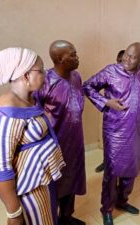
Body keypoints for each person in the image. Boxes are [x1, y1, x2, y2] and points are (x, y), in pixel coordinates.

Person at [83, 42, 140, 225]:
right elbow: (87, 86)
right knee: (112, 173)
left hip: (136, 130)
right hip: (114, 131)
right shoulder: (110, 71)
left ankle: (122, 201)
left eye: (133, 57)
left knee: (131, 170)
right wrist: (107, 101)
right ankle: (107, 209)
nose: (127, 59)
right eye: (126, 55)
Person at [0, 47, 65, 225]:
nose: (45, 74)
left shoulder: (31, 100)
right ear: (26, 76)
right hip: (28, 191)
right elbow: (1, 168)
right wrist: (14, 213)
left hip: (42, 181)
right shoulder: (4, 112)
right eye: (41, 70)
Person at [36, 40, 86, 225]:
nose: (77, 57)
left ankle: (67, 216)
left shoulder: (77, 77)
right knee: (55, 184)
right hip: (54, 143)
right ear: (59, 58)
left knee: (72, 178)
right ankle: (52, 219)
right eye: (72, 54)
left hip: (76, 140)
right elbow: (35, 114)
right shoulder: (45, 81)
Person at [95, 49, 125, 173]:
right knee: (109, 143)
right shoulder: (110, 73)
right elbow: (92, 88)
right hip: (111, 116)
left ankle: (121, 168)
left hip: (126, 118)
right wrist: (105, 101)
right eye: (119, 60)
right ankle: (106, 162)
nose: (121, 63)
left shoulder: (133, 76)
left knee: (124, 146)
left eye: (124, 61)